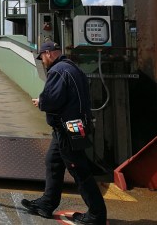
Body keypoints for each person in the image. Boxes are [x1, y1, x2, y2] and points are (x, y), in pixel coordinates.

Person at [21, 41, 107, 225]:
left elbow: (52, 100)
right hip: (73, 125)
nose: (42, 61)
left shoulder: (57, 71)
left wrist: (41, 102)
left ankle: (96, 214)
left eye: (42, 57)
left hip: (67, 128)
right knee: (53, 161)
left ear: (49, 53)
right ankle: (47, 203)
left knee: (79, 170)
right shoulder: (73, 68)